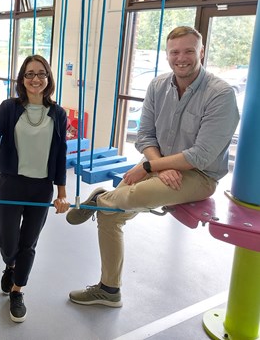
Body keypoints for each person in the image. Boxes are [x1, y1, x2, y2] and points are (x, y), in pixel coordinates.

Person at [66, 26, 240, 307]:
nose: (181, 58)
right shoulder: (158, 86)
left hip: (198, 175)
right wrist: (156, 166)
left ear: (202, 52)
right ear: (167, 54)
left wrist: (149, 168)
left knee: (123, 198)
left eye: (188, 51)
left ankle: (100, 197)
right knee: (110, 216)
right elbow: (145, 135)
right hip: (159, 163)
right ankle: (109, 290)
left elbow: (201, 155)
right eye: (174, 52)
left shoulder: (220, 94)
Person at [0, 55, 70, 323]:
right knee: (9, 244)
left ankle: (18, 290)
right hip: (11, 183)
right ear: (22, 79)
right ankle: (10, 264)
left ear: (48, 78)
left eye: (41, 73)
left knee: (28, 244)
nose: (35, 79)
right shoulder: (9, 108)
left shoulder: (58, 113)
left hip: (41, 188)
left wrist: (62, 192)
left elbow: (61, 155)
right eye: (29, 74)